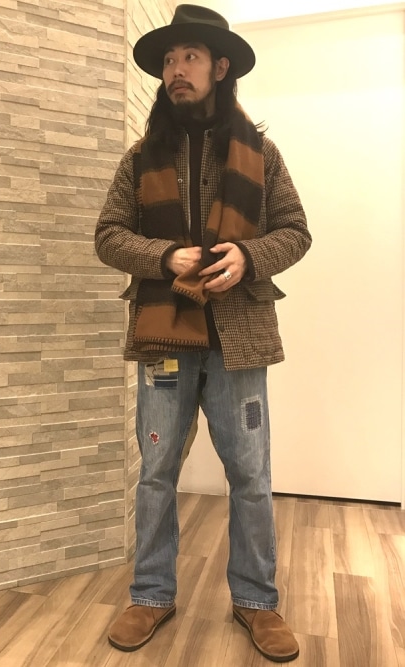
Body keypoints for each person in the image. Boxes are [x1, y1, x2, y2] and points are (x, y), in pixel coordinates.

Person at [95, 4, 311, 663]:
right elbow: (108, 236)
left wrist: (249, 256)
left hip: (240, 337)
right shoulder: (141, 157)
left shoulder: (261, 154)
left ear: (220, 67)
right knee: (157, 470)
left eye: (188, 56)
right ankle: (151, 593)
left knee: (250, 472)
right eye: (168, 60)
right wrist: (164, 256)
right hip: (163, 336)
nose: (175, 70)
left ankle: (257, 601)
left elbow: (295, 232)